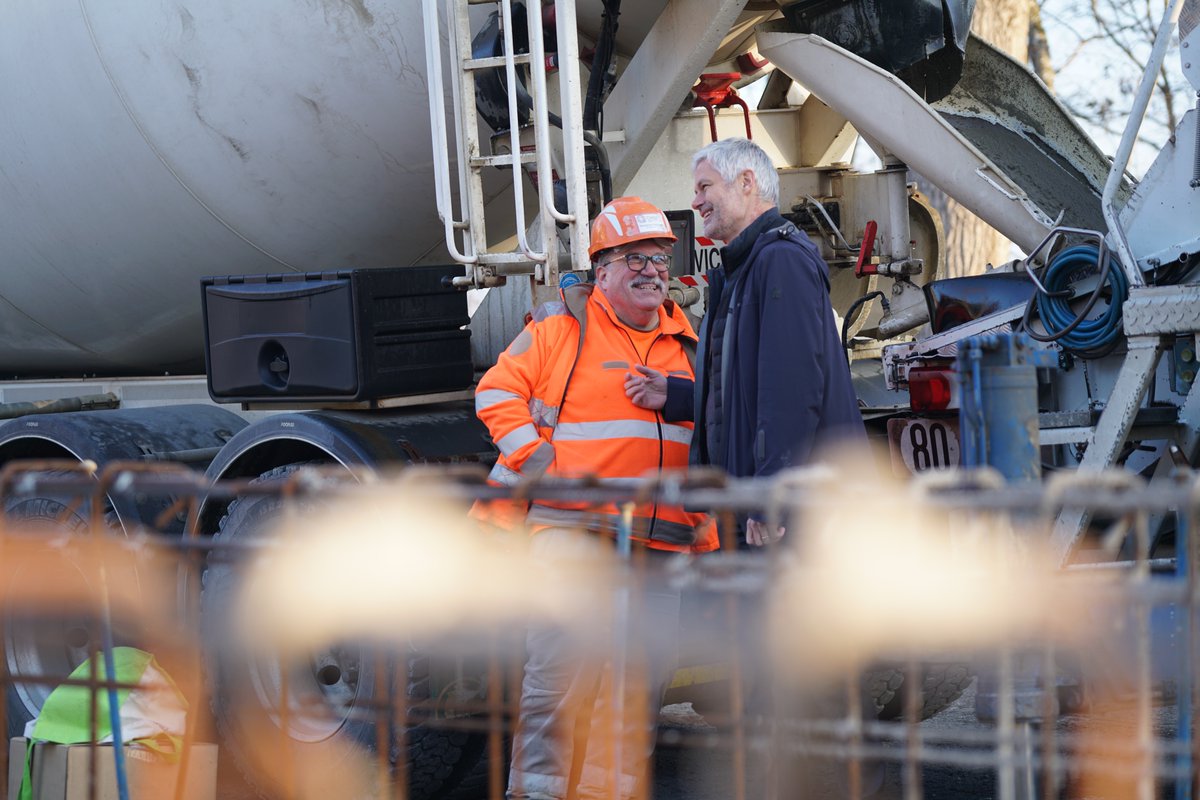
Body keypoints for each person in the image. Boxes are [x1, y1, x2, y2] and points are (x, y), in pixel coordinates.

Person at [474, 196, 718, 800]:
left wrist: (705, 537)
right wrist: (541, 462)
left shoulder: (687, 345)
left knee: (636, 695)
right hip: (574, 531)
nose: (650, 271)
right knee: (559, 680)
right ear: (601, 269)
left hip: (660, 543)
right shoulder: (564, 329)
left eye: (660, 257)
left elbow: (707, 441)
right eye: (633, 258)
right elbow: (496, 391)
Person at [628, 137, 865, 548]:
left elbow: (791, 390)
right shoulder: (747, 268)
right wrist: (681, 395)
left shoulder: (780, 262)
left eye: (705, 187)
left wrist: (773, 497)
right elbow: (747, 382)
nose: (696, 201)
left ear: (746, 183)